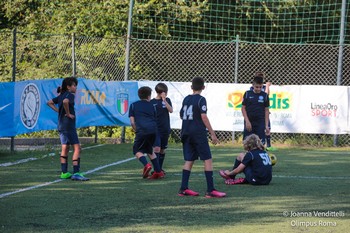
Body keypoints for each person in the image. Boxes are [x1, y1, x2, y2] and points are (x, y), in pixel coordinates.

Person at [178, 77, 226, 198]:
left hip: (185, 131)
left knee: (189, 159)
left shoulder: (186, 99)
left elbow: (181, 115)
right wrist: (212, 133)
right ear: (203, 87)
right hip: (197, 133)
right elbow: (203, 116)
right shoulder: (201, 100)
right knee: (207, 159)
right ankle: (210, 190)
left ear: (191, 87)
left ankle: (183, 188)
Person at [47, 77, 89, 181]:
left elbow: (49, 102)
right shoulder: (70, 95)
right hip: (69, 125)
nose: (75, 87)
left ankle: (64, 173)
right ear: (68, 87)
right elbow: (66, 102)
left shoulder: (61, 95)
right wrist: (68, 113)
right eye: (74, 85)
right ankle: (76, 172)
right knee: (77, 148)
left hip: (61, 125)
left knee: (65, 148)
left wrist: (58, 111)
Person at [129, 86, 164, 179]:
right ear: (149, 96)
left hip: (142, 130)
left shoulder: (133, 105)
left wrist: (137, 130)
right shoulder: (152, 105)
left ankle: (146, 165)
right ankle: (158, 171)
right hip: (153, 130)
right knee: (149, 150)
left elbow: (132, 122)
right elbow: (154, 118)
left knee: (136, 151)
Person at [150, 83, 173, 174]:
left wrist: (164, 100)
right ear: (160, 92)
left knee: (163, 149)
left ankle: (159, 168)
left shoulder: (167, 100)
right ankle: (157, 169)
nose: (166, 94)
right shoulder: (152, 102)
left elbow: (171, 110)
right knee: (156, 148)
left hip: (165, 128)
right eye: (164, 92)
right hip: (155, 129)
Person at [251, 71, 276, 151]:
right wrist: (268, 86)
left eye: (262, 77)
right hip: (257, 114)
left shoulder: (263, 86)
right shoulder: (253, 88)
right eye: (259, 76)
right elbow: (265, 94)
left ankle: (268, 145)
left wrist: (267, 86)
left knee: (267, 127)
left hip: (264, 113)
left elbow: (266, 96)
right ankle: (256, 146)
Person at [242, 75, 270, 145]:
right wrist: (247, 121)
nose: (258, 89)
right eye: (257, 87)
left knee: (260, 144)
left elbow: (266, 110)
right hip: (249, 121)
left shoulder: (265, 96)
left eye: (260, 87)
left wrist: (266, 125)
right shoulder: (247, 94)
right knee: (247, 143)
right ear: (253, 85)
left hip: (260, 122)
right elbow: (243, 108)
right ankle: (249, 156)